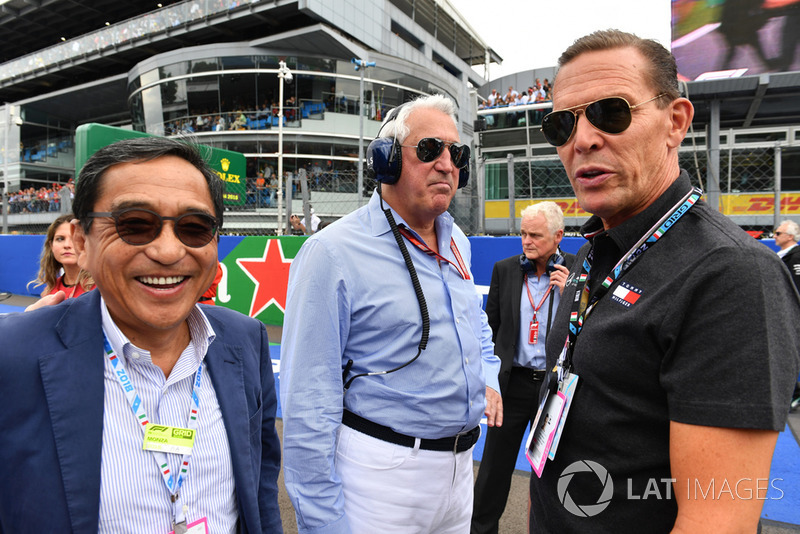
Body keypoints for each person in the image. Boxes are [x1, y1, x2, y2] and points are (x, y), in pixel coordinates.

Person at [529, 29, 800, 533]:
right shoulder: (593, 253)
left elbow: (716, 520)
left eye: (611, 112)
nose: (582, 139)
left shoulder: (732, 276)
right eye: (562, 124)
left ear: (676, 122)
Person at [0, 136, 283, 533]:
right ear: (82, 242)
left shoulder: (245, 339)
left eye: (194, 227)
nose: (168, 251)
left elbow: (260, 481)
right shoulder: (13, 355)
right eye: (135, 224)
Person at [281, 94, 501, 534]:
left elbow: (472, 320)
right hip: (379, 475)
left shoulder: (457, 239)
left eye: (456, 153)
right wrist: (322, 521)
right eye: (428, 150)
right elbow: (308, 399)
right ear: (385, 162)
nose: (446, 164)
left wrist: (487, 377)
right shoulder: (331, 251)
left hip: (459, 474)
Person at [471, 201, 573, 534]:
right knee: (492, 475)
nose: (526, 241)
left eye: (535, 235)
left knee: (552, 476)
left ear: (558, 237)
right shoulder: (504, 269)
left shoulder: (576, 272)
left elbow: (588, 329)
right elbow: (491, 328)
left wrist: (571, 295)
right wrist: (490, 382)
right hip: (511, 385)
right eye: (523, 234)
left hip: (554, 391)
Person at [28, 213, 95, 299]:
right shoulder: (49, 292)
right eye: (60, 239)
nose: (67, 245)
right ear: (51, 245)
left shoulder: (102, 288)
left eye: (75, 238)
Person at [775, 219, 800, 290]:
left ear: (790, 237)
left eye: (778, 233)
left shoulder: (796, 257)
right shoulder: (781, 255)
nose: (775, 236)